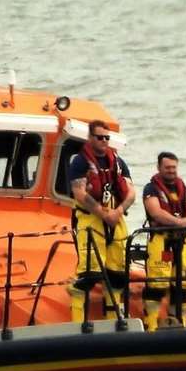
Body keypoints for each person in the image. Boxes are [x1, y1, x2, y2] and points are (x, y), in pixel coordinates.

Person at [66, 122, 135, 325]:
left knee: (117, 276)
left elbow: (130, 192)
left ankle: (114, 321)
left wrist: (118, 212)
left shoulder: (119, 162)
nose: (104, 141)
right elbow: (79, 193)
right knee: (89, 274)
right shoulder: (80, 163)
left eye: (107, 137)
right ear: (90, 138)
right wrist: (103, 214)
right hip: (91, 220)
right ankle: (78, 324)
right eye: (99, 137)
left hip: (117, 219)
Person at [142, 152, 186, 330]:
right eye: (167, 168)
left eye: (174, 167)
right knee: (156, 287)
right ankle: (151, 327)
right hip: (161, 242)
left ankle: (180, 325)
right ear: (159, 167)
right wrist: (179, 222)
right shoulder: (150, 189)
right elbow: (155, 212)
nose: (171, 171)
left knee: (183, 287)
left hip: (182, 242)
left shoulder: (185, 187)